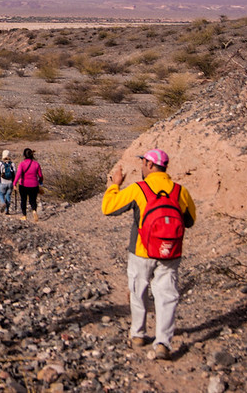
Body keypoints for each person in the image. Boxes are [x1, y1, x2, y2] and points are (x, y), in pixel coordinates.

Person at [101, 149, 196, 360]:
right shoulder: (180, 191)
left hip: (141, 251)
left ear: (151, 165)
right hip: (170, 252)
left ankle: (138, 334)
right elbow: (189, 221)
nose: (142, 167)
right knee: (167, 296)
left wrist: (114, 184)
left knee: (138, 291)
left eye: (143, 163)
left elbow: (108, 208)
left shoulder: (138, 189)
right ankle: (163, 342)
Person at [13, 148, 43, 222]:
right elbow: (40, 175)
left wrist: (14, 183)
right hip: (34, 185)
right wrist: (40, 181)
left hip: (23, 185)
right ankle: (34, 211)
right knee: (33, 200)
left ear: (24, 156)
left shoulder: (22, 164)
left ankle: (24, 215)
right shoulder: (36, 164)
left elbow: (18, 174)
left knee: (23, 200)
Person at [0, 150, 15, 214]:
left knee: (1, 194)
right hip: (10, 183)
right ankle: (7, 211)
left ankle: (3, 203)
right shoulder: (12, 164)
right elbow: (15, 174)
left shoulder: (0, 163)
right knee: (8, 196)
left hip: (2, 183)